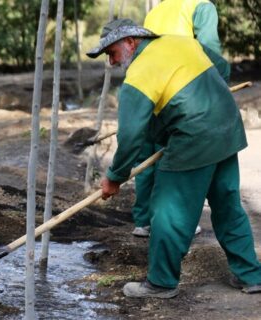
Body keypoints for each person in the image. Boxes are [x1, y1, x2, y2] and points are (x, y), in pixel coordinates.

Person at [86, 19, 261, 298]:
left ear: (130, 42)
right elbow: (223, 68)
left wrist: (115, 176)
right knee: (227, 205)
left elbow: (131, 135)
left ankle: (160, 283)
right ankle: (252, 276)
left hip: (195, 137)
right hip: (226, 126)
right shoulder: (181, 41)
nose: (111, 62)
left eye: (112, 53)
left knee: (168, 211)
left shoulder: (140, 73)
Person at [132, 0, 222, 237]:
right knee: (173, 159)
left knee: (146, 157)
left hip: (151, 87)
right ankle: (179, 222)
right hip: (181, 90)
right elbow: (209, 48)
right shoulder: (201, 6)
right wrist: (217, 85)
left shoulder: (155, 12)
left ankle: (142, 222)